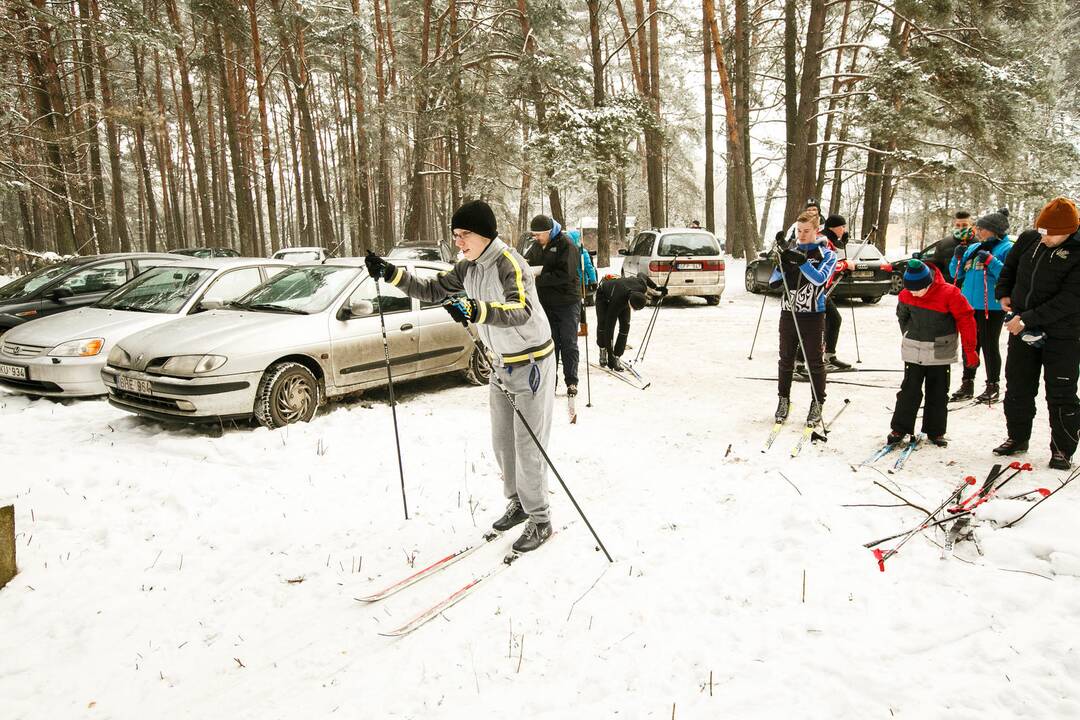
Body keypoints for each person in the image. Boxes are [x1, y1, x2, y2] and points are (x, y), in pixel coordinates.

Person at [364, 200, 556, 552]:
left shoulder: (509, 263)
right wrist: (390, 274)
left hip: (531, 363)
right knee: (503, 442)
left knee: (528, 445)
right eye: (455, 235)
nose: (458, 242)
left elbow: (521, 309)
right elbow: (432, 290)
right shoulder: (468, 266)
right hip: (500, 364)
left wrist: (476, 309)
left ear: (483, 233)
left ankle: (540, 519)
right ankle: (518, 503)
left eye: (463, 234)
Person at [993, 197, 1080, 470]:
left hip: (1063, 334)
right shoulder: (1029, 239)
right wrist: (1003, 293)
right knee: (1017, 386)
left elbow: (1070, 299)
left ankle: (1062, 449)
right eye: (1042, 231)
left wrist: (1027, 319)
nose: (1045, 239)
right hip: (1021, 328)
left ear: (1070, 230)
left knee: (1061, 392)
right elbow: (1010, 268)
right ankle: (1017, 437)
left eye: (1051, 234)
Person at [889, 260, 979, 447]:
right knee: (909, 391)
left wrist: (970, 350)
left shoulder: (950, 293)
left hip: (941, 351)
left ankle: (935, 431)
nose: (914, 294)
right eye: (911, 290)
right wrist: (908, 333)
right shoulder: (906, 294)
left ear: (928, 282)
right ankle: (900, 427)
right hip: (913, 349)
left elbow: (966, 319)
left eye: (918, 290)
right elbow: (902, 317)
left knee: (938, 392)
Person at [770, 210, 837, 427]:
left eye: (807, 231)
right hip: (788, 312)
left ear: (816, 231)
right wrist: (781, 258)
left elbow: (819, 280)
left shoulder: (827, 254)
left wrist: (802, 262)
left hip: (813, 315)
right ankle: (783, 399)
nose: (802, 235)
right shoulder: (793, 250)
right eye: (799, 231)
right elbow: (774, 280)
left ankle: (817, 402)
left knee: (814, 361)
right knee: (786, 359)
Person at [948, 208, 1013, 403]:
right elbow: (956, 274)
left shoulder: (1006, 248)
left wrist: (992, 261)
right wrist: (957, 257)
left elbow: (1008, 275)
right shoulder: (973, 248)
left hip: (990, 307)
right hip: (969, 305)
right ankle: (967, 382)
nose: (978, 231)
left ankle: (993, 384)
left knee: (988, 344)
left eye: (982, 228)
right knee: (971, 345)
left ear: (994, 230)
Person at [524, 214, 582, 397]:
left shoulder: (567, 245)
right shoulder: (536, 246)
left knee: (568, 343)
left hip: (567, 302)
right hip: (546, 304)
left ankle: (571, 381)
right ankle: (550, 382)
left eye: (539, 235)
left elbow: (566, 274)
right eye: (533, 235)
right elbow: (527, 263)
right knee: (550, 344)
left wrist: (539, 279)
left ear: (549, 232)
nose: (536, 238)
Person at [594, 272, 665, 371]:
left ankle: (617, 355)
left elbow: (642, 274)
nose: (634, 311)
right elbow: (609, 329)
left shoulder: (642, 286)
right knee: (603, 323)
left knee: (625, 326)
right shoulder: (617, 302)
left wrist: (656, 288)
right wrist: (610, 355)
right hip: (604, 295)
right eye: (634, 308)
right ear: (630, 302)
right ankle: (603, 349)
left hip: (623, 292)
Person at [925, 211, 974, 283]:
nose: (961, 228)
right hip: (949, 289)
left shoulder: (978, 243)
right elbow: (937, 266)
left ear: (971, 226)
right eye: (958, 225)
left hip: (970, 289)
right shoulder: (943, 243)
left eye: (964, 225)